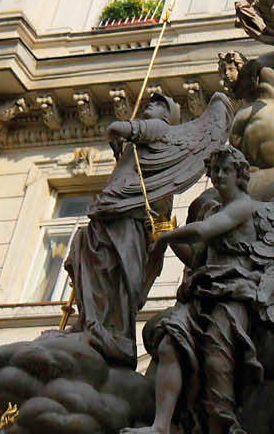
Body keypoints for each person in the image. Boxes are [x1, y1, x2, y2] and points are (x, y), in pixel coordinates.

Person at [124, 148, 274, 434]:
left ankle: (223, 426)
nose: (217, 176)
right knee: (170, 344)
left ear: (240, 174)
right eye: (214, 170)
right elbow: (196, 258)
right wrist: (161, 233)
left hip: (232, 295)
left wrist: (168, 233)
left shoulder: (244, 207)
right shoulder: (217, 210)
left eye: (224, 170)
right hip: (202, 291)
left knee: (216, 363)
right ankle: (161, 426)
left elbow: (205, 231)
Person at [62, 91, 231, 367]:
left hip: (126, 213)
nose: (149, 106)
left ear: (167, 115)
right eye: (150, 102)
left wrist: (116, 138)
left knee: (112, 269)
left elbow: (116, 127)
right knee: (96, 265)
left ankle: (108, 332)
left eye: (157, 104)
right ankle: (91, 323)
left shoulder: (157, 128)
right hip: (114, 211)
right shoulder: (144, 143)